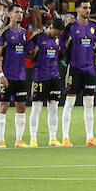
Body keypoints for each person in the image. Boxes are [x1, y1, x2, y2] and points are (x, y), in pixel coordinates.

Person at [60, 0, 96, 146]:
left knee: (89, 104)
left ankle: (90, 137)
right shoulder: (70, 26)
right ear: (77, 9)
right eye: (85, 8)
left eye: (89, 8)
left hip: (90, 69)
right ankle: (65, 137)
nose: (88, 10)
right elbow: (60, 41)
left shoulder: (94, 26)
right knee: (69, 103)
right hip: (75, 69)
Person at [0, 4, 30, 148]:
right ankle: (1, 140)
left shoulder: (24, 33)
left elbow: (25, 52)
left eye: (21, 12)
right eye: (16, 12)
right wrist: (0, 75)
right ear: (9, 15)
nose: (20, 14)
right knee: (4, 106)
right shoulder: (3, 33)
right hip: (7, 76)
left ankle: (19, 140)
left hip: (20, 76)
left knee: (21, 107)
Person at [27, 16, 65, 147]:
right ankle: (33, 139)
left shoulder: (58, 39)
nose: (57, 36)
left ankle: (53, 138)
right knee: (36, 107)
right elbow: (28, 53)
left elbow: (61, 54)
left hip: (55, 76)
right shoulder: (38, 38)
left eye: (59, 34)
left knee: (54, 108)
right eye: (56, 33)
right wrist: (32, 53)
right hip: (40, 76)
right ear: (51, 27)